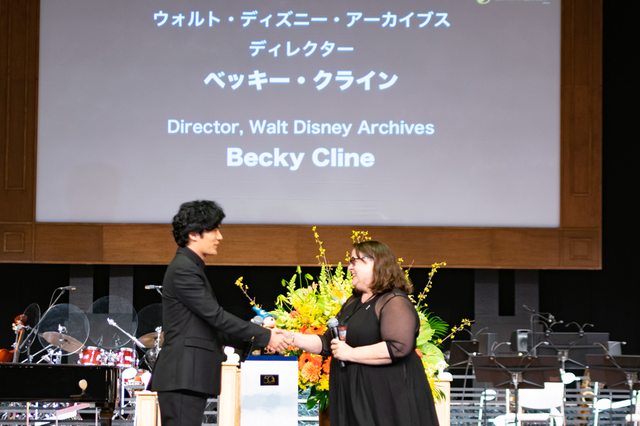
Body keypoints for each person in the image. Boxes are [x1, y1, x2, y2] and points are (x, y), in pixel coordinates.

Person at [150, 200, 291, 426]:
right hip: (183, 374)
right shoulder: (184, 269)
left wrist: (259, 332)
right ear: (193, 234)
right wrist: (264, 336)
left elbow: (209, 325)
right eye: (214, 230)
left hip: (188, 376)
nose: (220, 237)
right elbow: (216, 316)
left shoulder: (190, 267)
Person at [291, 241, 440, 426]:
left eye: (355, 260)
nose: (349, 267)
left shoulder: (394, 301)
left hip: (387, 401)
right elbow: (328, 342)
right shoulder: (353, 302)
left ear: (376, 264)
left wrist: (351, 353)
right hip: (355, 398)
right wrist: (292, 338)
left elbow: (398, 346)